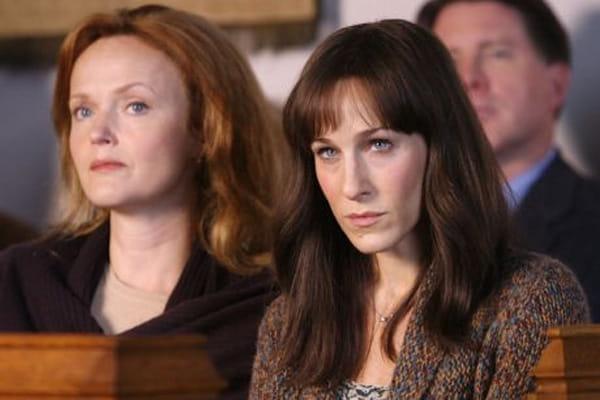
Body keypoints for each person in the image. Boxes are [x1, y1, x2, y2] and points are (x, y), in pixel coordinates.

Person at [249, 19, 589, 399]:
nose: (352, 186)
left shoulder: (529, 300)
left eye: (379, 144)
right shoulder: (289, 320)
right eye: (328, 152)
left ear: (440, 148)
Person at [0, 5, 284, 400]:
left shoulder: (274, 310)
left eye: (135, 105)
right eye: (83, 110)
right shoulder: (17, 283)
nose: (98, 132)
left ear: (205, 130)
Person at [417, 0, 600, 322]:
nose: (468, 78)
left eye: (497, 54)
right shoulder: (396, 225)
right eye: (448, 60)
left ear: (556, 85)